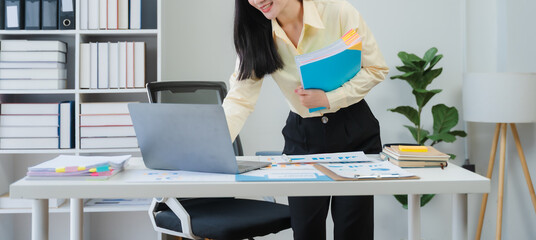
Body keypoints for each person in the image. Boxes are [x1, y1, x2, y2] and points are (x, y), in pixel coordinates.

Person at [222, 0, 389, 239]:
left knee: (353, 231)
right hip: (303, 138)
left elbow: (376, 68)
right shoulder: (256, 29)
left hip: (354, 132)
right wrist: (213, 149)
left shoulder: (338, 11)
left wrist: (330, 98)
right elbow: (239, 100)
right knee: (306, 232)